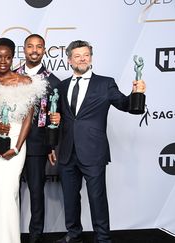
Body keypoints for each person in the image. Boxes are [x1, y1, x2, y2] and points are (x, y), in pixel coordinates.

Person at [50, 40, 146, 243]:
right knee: (70, 198)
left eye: (86, 55)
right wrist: (54, 131)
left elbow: (125, 104)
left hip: (93, 151)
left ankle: (103, 238)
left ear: (91, 58)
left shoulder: (105, 83)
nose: (82, 59)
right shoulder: (62, 86)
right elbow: (57, 117)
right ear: (69, 60)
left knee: (97, 198)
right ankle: (73, 234)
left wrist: (137, 93)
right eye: (77, 56)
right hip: (67, 151)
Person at [0, 37, 47, 243]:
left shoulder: (26, 81)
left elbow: (28, 119)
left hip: (16, 140)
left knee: (9, 191)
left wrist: (18, 148)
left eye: (7, 57)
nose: (2, 61)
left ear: (13, 58)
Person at [15, 34, 61, 243]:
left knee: (35, 192)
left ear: (44, 50)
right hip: (11, 142)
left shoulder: (53, 81)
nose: (34, 50)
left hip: (37, 143)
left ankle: (35, 236)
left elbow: (56, 117)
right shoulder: (11, 75)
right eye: (30, 46)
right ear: (23, 49)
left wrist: (52, 144)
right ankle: (10, 234)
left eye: (39, 47)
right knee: (10, 192)